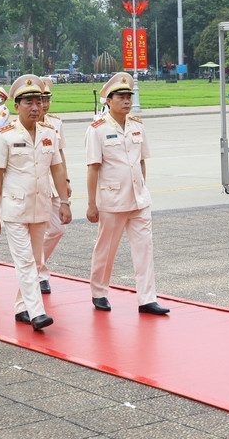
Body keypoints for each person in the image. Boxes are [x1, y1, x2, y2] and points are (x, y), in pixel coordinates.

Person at [0, 74, 71, 331]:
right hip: (14, 209)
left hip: (41, 206)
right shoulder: (4, 136)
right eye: (29, 102)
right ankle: (37, 312)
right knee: (24, 261)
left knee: (35, 261)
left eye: (39, 101)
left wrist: (64, 201)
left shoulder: (49, 133)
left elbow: (57, 168)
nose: (35, 107)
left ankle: (22, 306)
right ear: (16, 106)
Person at [85, 72, 169, 316]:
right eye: (121, 97)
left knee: (144, 249)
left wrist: (142, 187)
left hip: (138, 199)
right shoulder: (97, 130)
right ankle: (99, 291)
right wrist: (92, 204)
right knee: (106, 248)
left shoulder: (137, 126)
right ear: (108, 100)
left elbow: (141, 162)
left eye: (128, 97)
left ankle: (147, 298)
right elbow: (93, 168)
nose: (126, 101)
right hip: (112, 200)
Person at [37, 76, 71, 294]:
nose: (45, 104)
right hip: (34, 185)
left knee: (57, 229)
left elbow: (60, 155)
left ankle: (35, 264)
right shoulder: (17, 126)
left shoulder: (56, 123)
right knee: (37, 230)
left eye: (47, 99)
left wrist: (65, 181)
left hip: (53, 183)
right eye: (41, 99)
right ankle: (40, 273)